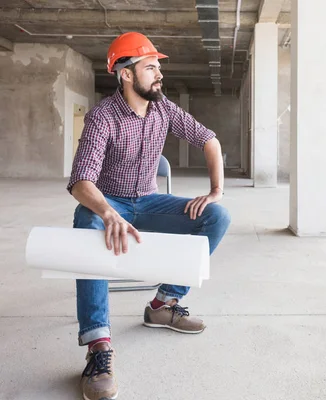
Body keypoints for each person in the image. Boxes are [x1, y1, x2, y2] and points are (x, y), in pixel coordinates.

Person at [67, 32, 231, 400]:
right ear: (126, 74)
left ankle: (163, 305)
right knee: (85, 219)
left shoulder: (163, 109)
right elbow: (80, 182)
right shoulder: (102, 117)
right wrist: (108, 212)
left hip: (150, 202)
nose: (160, 75)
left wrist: (215, 190)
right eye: (151, 67)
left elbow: (210, 139)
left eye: (159, 67)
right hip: (112, 202)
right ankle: (98, 347)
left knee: (217, 217)